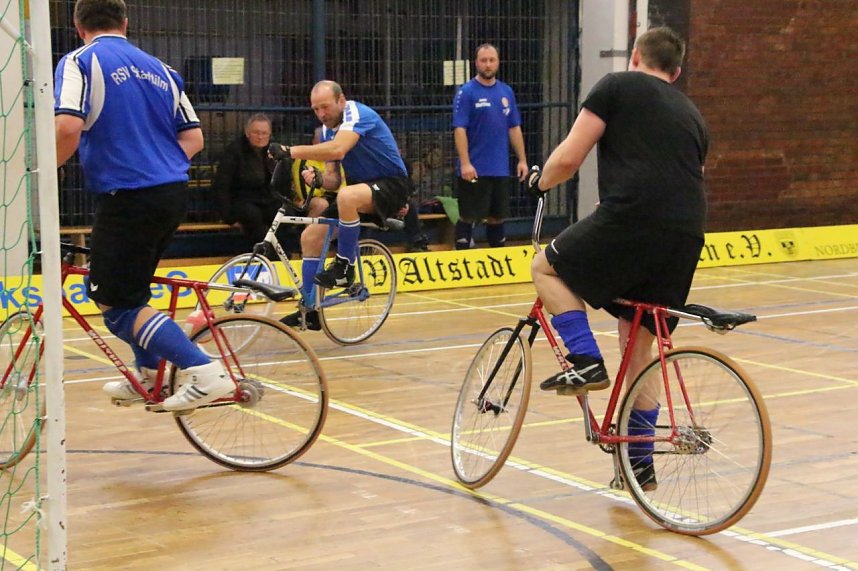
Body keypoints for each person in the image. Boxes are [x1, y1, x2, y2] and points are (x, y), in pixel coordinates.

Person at [528, 27, 708, 489]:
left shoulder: (617, 85)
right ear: (677, 71)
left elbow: (569, 157)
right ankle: (640, 468)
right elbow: (677, 175)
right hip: (686, 235)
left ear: (635, 57)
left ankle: (585, 360)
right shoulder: (691, 112)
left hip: (634, 218)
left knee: (545, 266)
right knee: (639, 348)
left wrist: (540, 182)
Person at [54, 0, 233, 411]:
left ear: (78, 26)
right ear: (126, 24)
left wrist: (45, 170)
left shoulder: (79, 61)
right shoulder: (162, 70)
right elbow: (194, 139)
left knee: (115, 306)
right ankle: (150, 376)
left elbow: (67, 125)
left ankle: (204, 371)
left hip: (128, 196)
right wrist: (158, 164)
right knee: (129, 292)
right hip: (170, 194)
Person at [270, 80, 411, 330]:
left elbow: (338, 149)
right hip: (357, 191)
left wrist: (291, 151)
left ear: (341, 100)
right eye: (315, 109)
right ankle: (311, 311)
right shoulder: (326, 130)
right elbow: (335, 180)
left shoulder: (357, 113)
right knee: (310, 237)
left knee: (347, 197)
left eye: (325, 106)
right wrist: (321, 179)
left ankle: (345, 267)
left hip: (392, 185)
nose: (321, 114)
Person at [452, 43, 528, 250]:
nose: (487, 64)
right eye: (483, 60)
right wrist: (465, 163)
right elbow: (459, 129)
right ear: (476, 63)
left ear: (498, 62)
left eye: (491, 60)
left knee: (497, 217)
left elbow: (514, 127)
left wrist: (522, 160)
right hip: (475, 168)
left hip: (499, 168)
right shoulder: (466, 93)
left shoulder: (506, 92)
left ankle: (498, 265)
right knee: (469, 216)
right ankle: (461, 261)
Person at [212, 114, 285, 250]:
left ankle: (284, 251)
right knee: (252, 216)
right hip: (242, 201)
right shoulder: (234, 151)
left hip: (267, 199)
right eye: (256, 132)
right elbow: (221, 185)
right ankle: (269, 253)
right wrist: (227, 216)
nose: (260, 136)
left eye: (264, 133)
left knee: (281, 213)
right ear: (247, 133)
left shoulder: (273, 151)